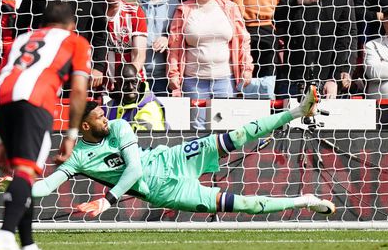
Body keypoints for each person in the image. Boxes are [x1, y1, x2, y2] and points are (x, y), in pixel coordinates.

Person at [27, 88, 333, 223]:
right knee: (244, 204)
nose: (105, 118)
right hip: (168, 192)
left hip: (172, 159)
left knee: (238, 135)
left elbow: (134, 169)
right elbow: (46, 187)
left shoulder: (119, 126)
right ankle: (305, 200)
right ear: (84, 126)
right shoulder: (79, 157)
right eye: (98, 117)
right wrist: (20, 185)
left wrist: (107, 200)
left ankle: (297, 110)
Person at [0, 1, 91, 250]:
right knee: (26, 171)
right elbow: (79, 90)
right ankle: (5, 235)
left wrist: (0, 140)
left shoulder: (22, 39)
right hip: (34, 99)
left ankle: (29, 247)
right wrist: (71, 134)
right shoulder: (75, 41)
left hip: (0, 97)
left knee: (23, 174)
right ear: (72, 25)